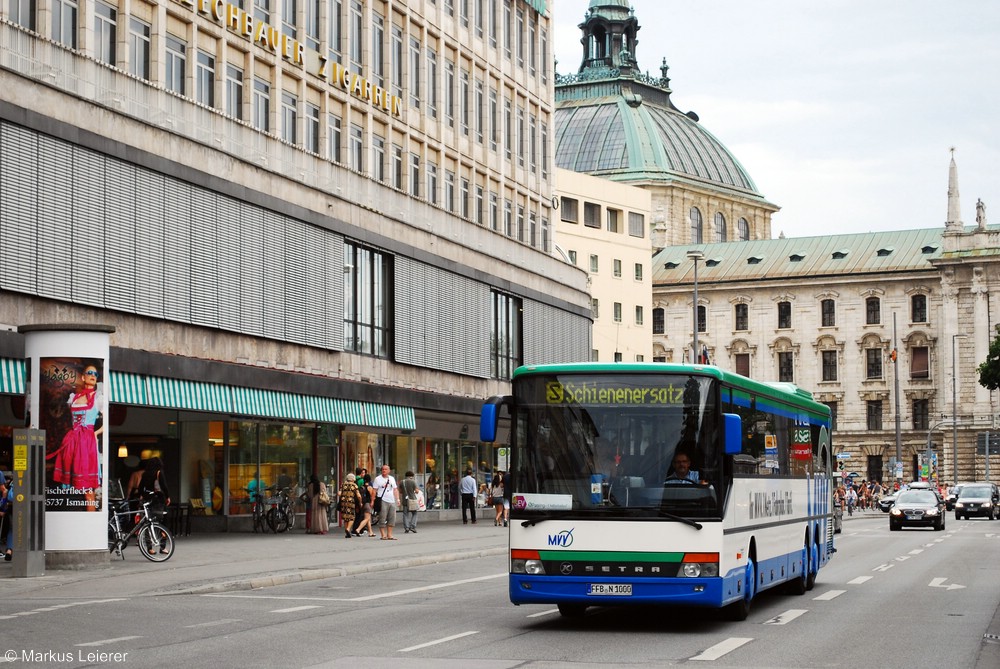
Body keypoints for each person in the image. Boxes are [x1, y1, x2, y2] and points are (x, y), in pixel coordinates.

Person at [49, 364, 104, 510]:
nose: (93, 375)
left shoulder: (99, 398)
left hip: (87, 443)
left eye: (95, 374)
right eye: (89, 372)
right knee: (73, 487)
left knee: (88, 491)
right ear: (83, 377)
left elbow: (107, 424)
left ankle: (90, 524)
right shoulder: (73, 398)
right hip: (72, 440)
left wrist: (94, 433)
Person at [372, 465, 400, 540]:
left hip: (391, 500)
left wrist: (397, 499)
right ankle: (383, 534)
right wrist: (372, 500)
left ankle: (390, 534)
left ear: (389, 471)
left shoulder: (392, 478)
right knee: (382, 517)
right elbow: (374, 490)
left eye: (386, 469)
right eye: (383, 469)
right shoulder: (378, 479)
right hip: (382, 500)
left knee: (392, 517)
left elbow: (395, 489)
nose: (384, 471)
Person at [336, 474, 360, 538]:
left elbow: (339, 493)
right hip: (351, 502)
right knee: (352, 516)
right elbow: (358, 495)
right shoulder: (354, 485)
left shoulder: (343, 484)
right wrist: (360, 502)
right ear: (353, 479)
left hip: (343, 502)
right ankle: (348, 529)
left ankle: (347, 533)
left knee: (345, 517)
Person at [353, 471, 376, 537]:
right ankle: (358, 529)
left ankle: (371, 532)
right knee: (367, 519)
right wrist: (372, 502)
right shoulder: (369, 487)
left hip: (362, 504)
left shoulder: (361, 487)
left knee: (368, 518)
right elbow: (372, 496)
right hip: (368, 504)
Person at [0, 473, 13, 561]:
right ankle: (10, 550)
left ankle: (9, 550)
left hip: (11, 508)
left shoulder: (12, 482)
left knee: (12, 530)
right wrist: (3, 507)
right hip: (19, 507)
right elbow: (4, 490)